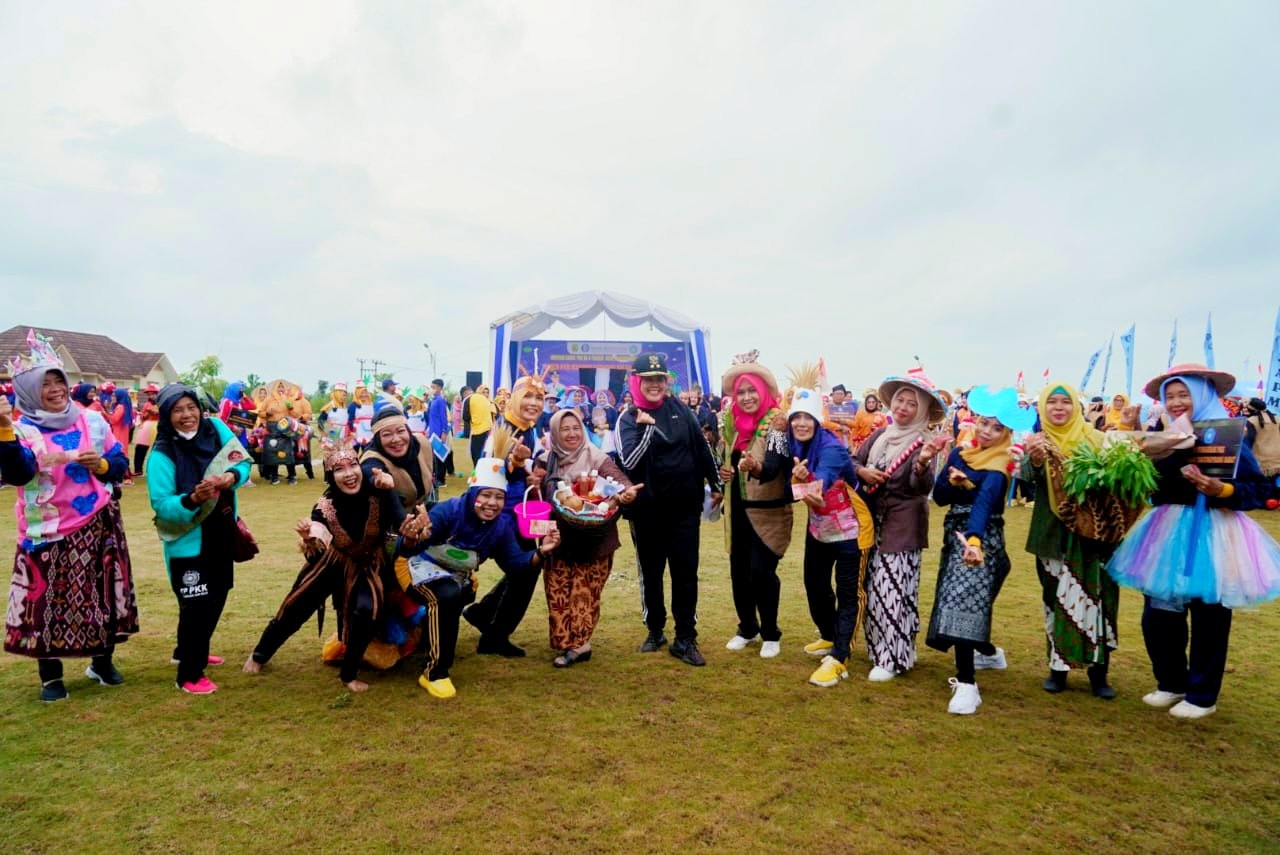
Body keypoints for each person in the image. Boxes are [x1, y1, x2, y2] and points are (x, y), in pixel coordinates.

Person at [1107, 365, 1280, 718]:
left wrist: (1223, 490)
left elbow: (1258, 490)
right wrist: (1132, 439)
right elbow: (1142, 483)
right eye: (1170, 396)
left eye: (1183, 394)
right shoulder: (1162, 437)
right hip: (1166, 532)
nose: (1176, 402)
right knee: (1159, 615)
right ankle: (1171, 681)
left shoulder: (1229, 435)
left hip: (1215, 533)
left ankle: (1202, 695)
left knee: (1209, 617)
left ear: (1202, 395)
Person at [1, 332, 138, 702]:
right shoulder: (21, 430)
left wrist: (104, 464)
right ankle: (51, 678)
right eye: (44, 384)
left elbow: (119, 462)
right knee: (47, 603)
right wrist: (4, 431)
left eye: (58, 381)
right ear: (29, 391)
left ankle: (102, 662)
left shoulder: (92, 422)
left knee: (101, 595)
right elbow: (18, 474)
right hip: (47, 529)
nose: (55, 389)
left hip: (98, 522)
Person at [243, 439, 428, 692]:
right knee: (296, 606)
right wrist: (309, 539)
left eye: (353, 465)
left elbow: (400, 523)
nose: (349, 473)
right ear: (331, 476)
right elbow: (315, 551)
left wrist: (413, 528)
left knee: (368, 609)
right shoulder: (324, 506)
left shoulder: (380, 491)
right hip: (331, 562)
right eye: (339, 469)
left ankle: (349, 674)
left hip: (369, 564)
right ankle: (259, 655)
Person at [406, 440, 561, 697]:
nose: (492, 503)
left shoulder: (500, 527)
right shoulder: (449, 511)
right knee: (447, 594)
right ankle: (435, 672)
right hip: (414, 566)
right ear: (473, 494)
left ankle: (428, 639)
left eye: (499, 497)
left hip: (456, 575)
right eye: (485, 495)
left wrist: (541, 552)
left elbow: (515, 563)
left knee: (457, 592)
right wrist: (414, 536)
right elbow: (409, 547)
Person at [926, 385, 1034, 714]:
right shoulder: (961, 453)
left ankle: (967, 684)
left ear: (1006, 433)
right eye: (984, 423)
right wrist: (953, 481)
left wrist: (973, 540)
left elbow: (985, 505)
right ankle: (988, 654)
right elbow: (940, 496)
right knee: (959, 599)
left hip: (983, 538)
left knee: (965, 602)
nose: (987, 431)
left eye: (997, 428)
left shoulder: (1002, 463)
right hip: (955, 536)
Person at [618, 352, 723, 666]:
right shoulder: (628, 418)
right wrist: (647, 429)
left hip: (685, 508)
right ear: (636, 382)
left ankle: (686, 637)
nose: (654, 384)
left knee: (685, 572)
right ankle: (655, 630)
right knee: (652, 573)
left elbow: (701, 448)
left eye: (659, 379)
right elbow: (629, 461)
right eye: (647, 379)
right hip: (647, 511)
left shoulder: (681, 410)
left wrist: (716, 483)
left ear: (666, 381)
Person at [147, 383, 252, 694]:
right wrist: (192, 499)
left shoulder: (216, 429)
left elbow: (242, 461)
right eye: (177, 410)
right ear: (166, 415)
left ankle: (189, 650)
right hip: (187, 540)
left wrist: (231, 477)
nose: (187, 415)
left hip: (221, 530)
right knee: (195, 603)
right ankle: (189, 675)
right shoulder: (161, 454)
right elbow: (162, 505)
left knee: (218, 592)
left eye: (191, 407)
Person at [1022, 381, 1123, 698]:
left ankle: (1099, 674)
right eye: (1052, 401)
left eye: (1065, 401)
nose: (1059, 407)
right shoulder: (1037, 442)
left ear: (1077, 407)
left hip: (1096, 536)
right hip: (1053, 536)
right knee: (1056, 602)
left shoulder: (1099, 440)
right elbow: (1026, 479)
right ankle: (1058, 669)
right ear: (1042, 407)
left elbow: (1116, 484)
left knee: (1099, 601)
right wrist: (1035, 460)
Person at [777, 373, 873, 688]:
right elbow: (792, 487)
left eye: (808, 418)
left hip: (850, 532)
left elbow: (820, 485)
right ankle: (830, 635)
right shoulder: (796, 445)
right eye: (796, 418)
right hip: (819, 530)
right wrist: (797, 478)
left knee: (848, 593)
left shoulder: (831, 447)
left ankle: (840, 657)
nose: (801, 423)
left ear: (818, 421)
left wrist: (803, 482)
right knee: (815, 585)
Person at [854, 376, 950, 683]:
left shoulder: (923, 442)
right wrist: (862, 471)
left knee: (893, 590)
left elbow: (920, 487)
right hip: (874, 524)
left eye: (912, 403)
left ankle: (893, 658)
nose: (903, 407)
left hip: (904, 526)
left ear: (922, 411)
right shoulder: (881, 435)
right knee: (873, 588)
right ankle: (887, 649)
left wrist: (922, 463)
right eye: (900, 400)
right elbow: (852, 461)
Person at [542, 409, 640, 666]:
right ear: (555, 433)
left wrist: (627, 492)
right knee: (557, 591)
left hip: (594, 540)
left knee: (583, 593)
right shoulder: (547, 459)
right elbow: (536, 493)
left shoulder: (597, 458)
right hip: (559, 539)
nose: (571, 434)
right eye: (564, 429)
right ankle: (565, 641)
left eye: (576, 427)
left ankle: (580, 645)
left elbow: (620, 482)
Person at [463, 377, 548, 656]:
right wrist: (516, 463)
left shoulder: (526, 427)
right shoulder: (504, 429)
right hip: (501, 514)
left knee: (525, 568)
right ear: (514, 398)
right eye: (528, 397)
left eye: (539, 398)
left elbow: (516, 471)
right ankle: (495, 636)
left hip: (519, 509)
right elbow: (489, 473)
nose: (533, 404)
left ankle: (483, 612)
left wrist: (527, 473)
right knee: (527, 569)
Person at [718, 354, 792, 658]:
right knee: (739, 572)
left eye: (752, 391)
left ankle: (771, 633)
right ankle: (747, 627)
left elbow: (776, 466)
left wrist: (756, 467)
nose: (747, 397)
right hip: (737, 509)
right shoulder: (731, 423)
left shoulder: (778, 423)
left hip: (768, 511)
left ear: (763, 391)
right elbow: (726, 460)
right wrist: (723, 472)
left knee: (762, 572)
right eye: (741, 392)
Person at [360, 401, 437, 509]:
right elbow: (369, 471)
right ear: (377, 438)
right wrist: (375, 480)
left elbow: (433, 472)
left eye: (400, 431)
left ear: (408, 431)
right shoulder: (372, 458)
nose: (396, 439)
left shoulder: (421, 443)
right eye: (387, 434)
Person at [133, 383, 161, 477]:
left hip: (157, 428)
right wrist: (148, 414)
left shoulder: (162, 404)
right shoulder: (147, 404)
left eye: (153, 394)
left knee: (156, 451)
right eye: (149, 394)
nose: (151, 396)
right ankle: (138, 470)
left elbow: (161, 413)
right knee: (140, 449)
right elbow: (143, 416)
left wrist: (155, 412)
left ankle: (153, 471)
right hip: (146, 428)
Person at [427, 379, 451, 485]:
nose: (431, 389)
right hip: (432, 431)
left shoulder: (441, 400)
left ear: (439, 388)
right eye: (431, 387)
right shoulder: (433, 400)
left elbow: (443, 416)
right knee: (434, 456)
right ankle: (436, 476)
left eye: (434, 387)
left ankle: (441, 479)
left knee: (440, 455)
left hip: (438, 431)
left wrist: (444, 431)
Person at [468, 384, 495, 469]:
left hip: (489, 431)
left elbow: (494, 419)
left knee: (486, 452)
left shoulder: (491, 404)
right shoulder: (474, 402)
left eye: (487, 392)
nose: (486, 394)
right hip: (476, 430)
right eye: (484, 392)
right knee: (474, 452)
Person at [348, 382, 375, 450]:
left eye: (365, 392)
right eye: (361, 393)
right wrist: (352, 431)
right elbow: (350, 420)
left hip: (369, 433)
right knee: (354, 452)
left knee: (368, 451)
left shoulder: (372, 404)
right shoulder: (353, 405)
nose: (364, 395)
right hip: (357, 433)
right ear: (357, 393)